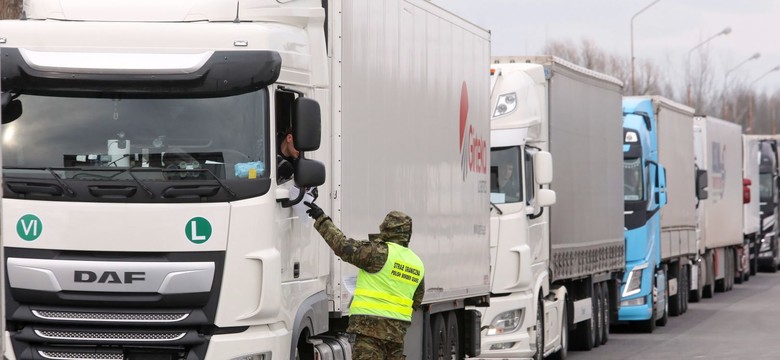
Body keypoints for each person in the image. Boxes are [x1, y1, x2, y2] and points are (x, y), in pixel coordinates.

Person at [303, 201, 425, 360]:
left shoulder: (378, 253)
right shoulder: (416, 263)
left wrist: (321, 219)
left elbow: (343, 247)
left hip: (369, 333)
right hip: (396, 336)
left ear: (386, 229)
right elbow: (416, 300)